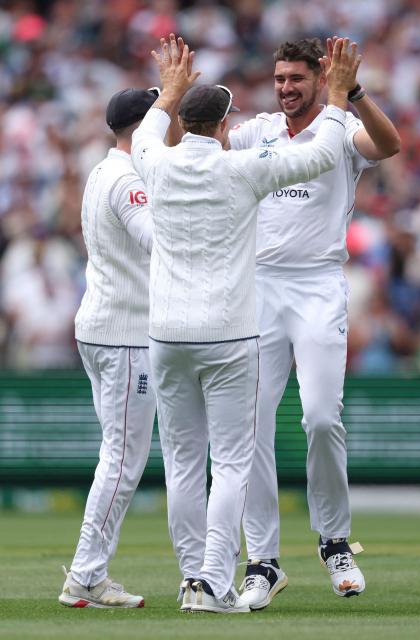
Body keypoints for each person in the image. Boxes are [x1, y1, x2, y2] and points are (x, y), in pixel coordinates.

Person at [131, 34, 361, 613]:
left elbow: (142, 133)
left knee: (187, 465)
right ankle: (220, 576)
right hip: (229, 331)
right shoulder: (242, 170)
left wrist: (172, 92)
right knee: (233, 459)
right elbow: (323, 154)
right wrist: (338, 96)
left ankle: (194, 580)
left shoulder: (152, 161)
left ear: (180, 121)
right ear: (227, 121)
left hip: (166, 335)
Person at [228, 37, 401, 608]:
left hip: (319, 286)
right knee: (248, 425)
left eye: (295, 79)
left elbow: (389, 143)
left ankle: (334, 543)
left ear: (316, 78)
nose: (285, 88)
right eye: (279, 78)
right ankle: (262, 560)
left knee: (322, 418)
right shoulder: (259, 130)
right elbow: (208, 147)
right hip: (260, 288)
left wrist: (352, 94)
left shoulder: (339, 128)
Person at [58, 86, 159, 608]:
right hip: (124, 335)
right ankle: (85, 575)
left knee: (118, 457)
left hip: (104, 326)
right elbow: (159, 243)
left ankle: (89, 573)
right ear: (141, 128)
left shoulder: (104, 169)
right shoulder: (128, 179)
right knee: (121, 461)